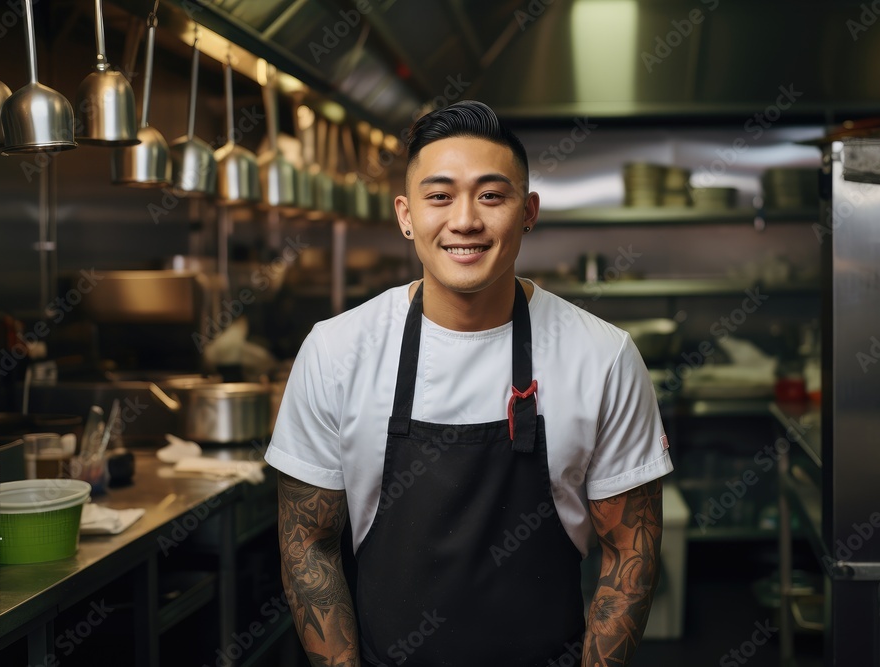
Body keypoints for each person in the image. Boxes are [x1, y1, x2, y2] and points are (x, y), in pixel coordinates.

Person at [266, 100, 673, 667]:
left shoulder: (602, 356)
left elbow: (632, 553)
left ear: (528, 211)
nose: (465, 221)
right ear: (406, 215)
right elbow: (306, 547)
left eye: (491, 195)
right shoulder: (336, 351)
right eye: (439, 196)